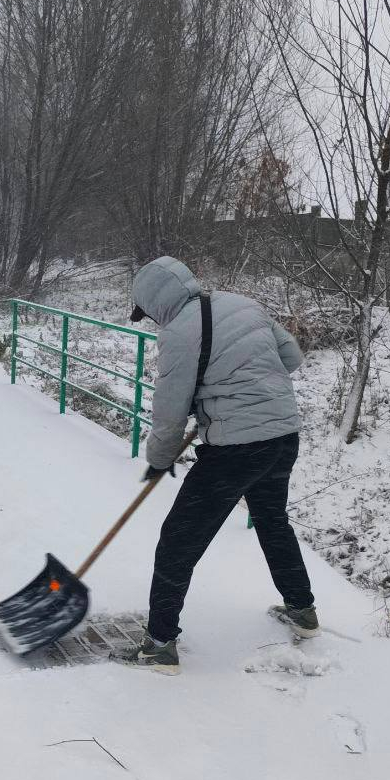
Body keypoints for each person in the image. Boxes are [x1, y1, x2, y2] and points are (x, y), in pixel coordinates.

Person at [117, 255, 318, 674]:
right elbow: (292, 358)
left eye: (148, 312)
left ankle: (159, 644)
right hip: (283, 437)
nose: (151, 319)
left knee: (178, 541)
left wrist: (158, 460)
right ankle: (301, 609)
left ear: (157, 301)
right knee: (271, 519)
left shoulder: (179, 332)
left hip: (235, 450)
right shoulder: (243, 304)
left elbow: (170, 413)